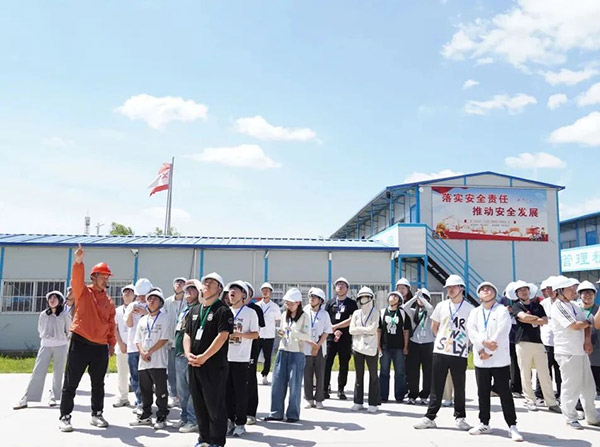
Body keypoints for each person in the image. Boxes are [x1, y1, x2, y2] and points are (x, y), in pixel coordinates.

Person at [59, 244, 116, 432]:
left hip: (100, 347)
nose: (106, 279)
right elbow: (76, 278)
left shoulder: (109, 301)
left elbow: (111, 324)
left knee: (98, 384)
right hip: (80, 342)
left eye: (107, 277)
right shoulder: (83, 292)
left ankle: (97, 414)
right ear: (93, 277)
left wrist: (111, 345)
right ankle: (65, 417)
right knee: (71, 382)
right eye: (103, 276)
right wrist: (78, 261)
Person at [414, 274, 474, 431]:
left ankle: (460, 417)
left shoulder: (470, 309)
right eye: (448, 287)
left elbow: (472, 331)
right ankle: (430, 417)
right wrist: (443, 339)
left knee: (459, 386)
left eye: (453, 287)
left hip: (459, 352)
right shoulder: (441, 306)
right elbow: (434, 327)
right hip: (441, 350)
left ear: (461, 288)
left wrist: (464, 344)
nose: (450, 290)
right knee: (436, 385)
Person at [466, 282, 523, 442]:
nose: (486, 290)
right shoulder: (475, 312)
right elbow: (472, 332)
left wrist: (489, 351)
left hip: (499, 361)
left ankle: (512, 426)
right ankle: (484, 423)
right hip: (481, 360)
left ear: (495, 293)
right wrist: (482, 347)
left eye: (489, 288)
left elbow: (502, 332)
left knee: (505, 393)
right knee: (482, 393)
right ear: (479, 295)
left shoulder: (501, 310)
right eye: (482, 289)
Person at [184, 272, 233, 447]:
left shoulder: (223, 310)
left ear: (219, 288)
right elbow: (187, 334)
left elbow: (222, 336)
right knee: (199, 405)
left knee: (215, 405)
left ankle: (217, 441)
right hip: (194, 364)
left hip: (213, 366)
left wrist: (204, 357)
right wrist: (188, 353)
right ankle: (203, 439)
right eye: (205, 281)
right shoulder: (195, 310)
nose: (207, 284)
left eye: (212, 282)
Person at [551, 276, 600, 429]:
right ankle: (570, 417)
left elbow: (586, 324)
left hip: (581, 352)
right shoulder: (558, 306)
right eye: (570, 289)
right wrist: (588, 322)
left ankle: (592, 416)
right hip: (568, 352)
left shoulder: (573, 306)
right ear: (560, 291)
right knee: (571, 387)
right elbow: (575, 325)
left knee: (588, 387)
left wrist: (587, 340)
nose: (574, 291)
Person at [509, 280, 560, 413]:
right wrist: (534, 319)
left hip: (538, 342)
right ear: (517, 294)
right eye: (520, 290)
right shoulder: (517, 306)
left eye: (525, 289)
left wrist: (529, 318)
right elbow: (522, 316)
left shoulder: (538, 306)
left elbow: (545, 320)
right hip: (522, 342)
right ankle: (530, 400)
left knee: (545, 373)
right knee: (525, 373)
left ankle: (551, 402)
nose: (524, 292)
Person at [14, 291, 71, 410]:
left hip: (61, 346)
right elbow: (40, 329)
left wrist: (62, 339)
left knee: (58, 372)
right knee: (38, 371)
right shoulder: (43, 314)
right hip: (45, 345)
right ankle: (26, 397)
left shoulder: (65, 314)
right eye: (50, 298)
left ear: (60, 301)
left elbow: (69, 330)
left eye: (55, 298)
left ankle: (54, 396)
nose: (52, 300)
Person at [264, 288, 311, 422]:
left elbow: (307, 336)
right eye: (286, 303)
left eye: (290, 303)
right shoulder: (284, 314)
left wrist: (293, 332)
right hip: (283, 350)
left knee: (294, 384)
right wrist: (282, 333)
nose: (287, 305)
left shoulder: (304, 317)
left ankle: (293, 414)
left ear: (298, 303)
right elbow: (283, 330)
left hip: (297, 353)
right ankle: (276, 413)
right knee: (277, 383)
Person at [129, 289, 172, 430]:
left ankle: (162, 415)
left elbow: (164, 338)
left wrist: (150, 351)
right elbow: (138, 340)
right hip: (144, 362)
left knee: (160, 390)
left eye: (155, 299)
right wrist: (142, 352)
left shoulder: (165, 318)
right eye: (149, 299)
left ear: (161, 303)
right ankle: (146, 415)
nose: (152, 301)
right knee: (145, 390)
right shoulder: (143, 320)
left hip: (158, 361)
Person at [225, 281, 259, 437]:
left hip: (241, 358)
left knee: (240, 392)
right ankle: (229, 421)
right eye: (230, 290)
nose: (232, 292)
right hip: (226, 358)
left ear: (243, 294)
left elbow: (255, 334)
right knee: (227, 392)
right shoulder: (225, 312)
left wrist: (240, 335)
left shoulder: (250, 313)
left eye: (235, 290)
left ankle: (240, 423)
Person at [173, 279, 201, 433]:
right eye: (186, 290)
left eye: (192, 289)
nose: (188, 291)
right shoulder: (185, 308)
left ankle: (193, 419)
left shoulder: (199, 308)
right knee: (181, 389)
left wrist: (189, 351)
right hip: (179, 352)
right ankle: (184, 416)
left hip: (190, 354)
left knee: (192, 389)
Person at [324, 277, 358, 400]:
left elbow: (352, 319)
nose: (340, 286)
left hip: (345, 338)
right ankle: (325, 388)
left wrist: (337, 327)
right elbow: (325, 318)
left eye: (343, 285)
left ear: (347, 288)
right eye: (338, 284)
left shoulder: (352, 303)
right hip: (330, 337)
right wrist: (332, 330)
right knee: (327, 363)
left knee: (344, 364)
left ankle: (341, 389)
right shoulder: (330, 303)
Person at [125, 277, 153, 414]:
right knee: (135, 376)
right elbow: (129, 324)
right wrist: (131, 312)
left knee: (148, 377)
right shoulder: (132, 305)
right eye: (139, 295)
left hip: (148, 347)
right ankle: (139, 401)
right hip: (133, 346)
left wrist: (145, 313)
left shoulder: (154, 305)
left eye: (144, 295)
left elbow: (158, 320)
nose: (141, 298)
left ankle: (148, 401)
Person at [350, 286, 381, 413]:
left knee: (373, 375)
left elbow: (373, 329)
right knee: (359, 375)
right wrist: (364, 330)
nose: (364, 300)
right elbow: (351, 330)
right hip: (357, 347)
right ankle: (358, 401)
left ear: (370, 298)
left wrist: (359, 329)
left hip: (371, 348)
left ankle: (373, 403)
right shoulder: (356, 313)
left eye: (366, 297)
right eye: (361, 297)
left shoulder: (375, 312)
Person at [378, 291, 411, 403]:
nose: (393, 297)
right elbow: (379, 330)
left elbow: (406, 331)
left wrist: (405, 346)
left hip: (399, 347)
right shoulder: (382, 312)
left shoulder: (402, 313)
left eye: (396, 296)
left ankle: (399, 395)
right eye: (391, 295)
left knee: (400, 372)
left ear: (399, 300)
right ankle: (383, 395)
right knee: (384, 371)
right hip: (385, 346)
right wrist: (378, 346)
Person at [303, 287, 333, 409]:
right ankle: (309, 398)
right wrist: (311, 343)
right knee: (307, 373)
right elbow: (300, 329)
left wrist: (318, 345)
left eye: (315, 297)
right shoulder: (304, 311)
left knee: (320, 373)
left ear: (320, 300)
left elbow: (327, 331)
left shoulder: (324, 314)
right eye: (311, 296)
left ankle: (319, 399)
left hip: (320, 346)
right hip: (306, 345)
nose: (312, 299)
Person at [404, 288, 435, 405]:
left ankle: (425, 395)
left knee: (428, 371)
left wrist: (422, 298)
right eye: (420, 298)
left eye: (424, 297)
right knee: (413, 371)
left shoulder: (431, 313)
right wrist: (415, 297)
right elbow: (405, 307)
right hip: (414, 344)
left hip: (428, 344)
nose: (421, 300)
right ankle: (413, 394)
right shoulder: (413, 312)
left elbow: (431, 309)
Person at [535, 276, 561, 404]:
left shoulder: (562, 303)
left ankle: (561, 394)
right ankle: (540, 394)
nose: (549, 291)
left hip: (560, 342)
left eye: (551, 288)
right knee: (543, 369)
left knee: (560, 371)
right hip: (546, 341)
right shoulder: (543, 304)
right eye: (547, 289)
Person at [242, 281, 265, 426]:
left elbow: (259, 330)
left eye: (245, 292)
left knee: (250, 379)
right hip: (234, 350)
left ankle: (250, 412)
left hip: (250, 348)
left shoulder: (255, 309)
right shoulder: (231, 308)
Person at [164, 276, 187, 408]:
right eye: (177, 282)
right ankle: (172, 395)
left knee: (182, 371)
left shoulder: (188, 302)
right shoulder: (167, 302)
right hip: (170, 341)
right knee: (171, 370)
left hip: (183, 342)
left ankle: (182, 396)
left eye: (182, 282)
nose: (179, 284)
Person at [113, 284, 135, 408]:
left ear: (134, 295)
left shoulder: (138, 309)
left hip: (135, 347)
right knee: (122, 374)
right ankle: (123, 397)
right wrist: (120, 343)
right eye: (125, 292)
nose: (127, 294)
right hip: (122, 346)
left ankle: (140, 400)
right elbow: (114, 328)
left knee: (137, 375)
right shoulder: (117, 310)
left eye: (130, 291)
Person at [577, 281, 600, 394]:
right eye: (585, 293)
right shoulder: (575, 309)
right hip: (578, 347)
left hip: (596, 348)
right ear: (580, 295)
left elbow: (597, 325)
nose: (588, 295)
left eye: (590, 293)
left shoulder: (598, 309)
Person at [257, 282, 280, 385]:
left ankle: (265, 375)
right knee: (254, 355)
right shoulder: (257, 305)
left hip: (269, 335)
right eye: (263, 290)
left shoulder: (275, 306)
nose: (265, 292)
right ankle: (252, 375)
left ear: (270, 292)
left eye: (267, 290)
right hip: (258, 335)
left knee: (267, 357)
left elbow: (277, 320)